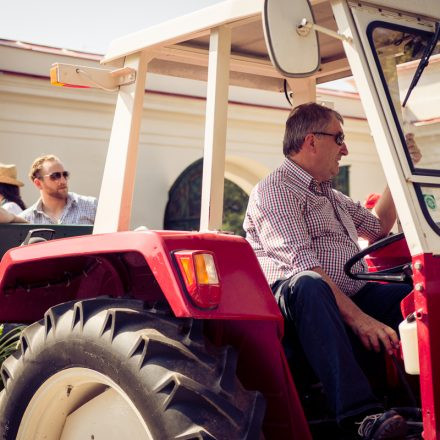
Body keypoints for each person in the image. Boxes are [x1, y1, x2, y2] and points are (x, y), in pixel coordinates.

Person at [244, 103, 421, 439]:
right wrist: (361, 319)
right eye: (339, 138)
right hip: (295, 304)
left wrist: (399, 172)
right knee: (310, 284)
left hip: (348, 293)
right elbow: (302, 265)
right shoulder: (277, 190)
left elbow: (378, 226)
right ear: (312, 141)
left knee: (416, 294)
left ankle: (426, 395)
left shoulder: (332, 196)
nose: (345, 149)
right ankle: (360, 416)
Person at [20, 155, 97, 225]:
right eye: (55, 176)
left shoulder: (92, 206)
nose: (63, 181)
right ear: (38, 183)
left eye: (65, 175)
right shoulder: (25, 220)